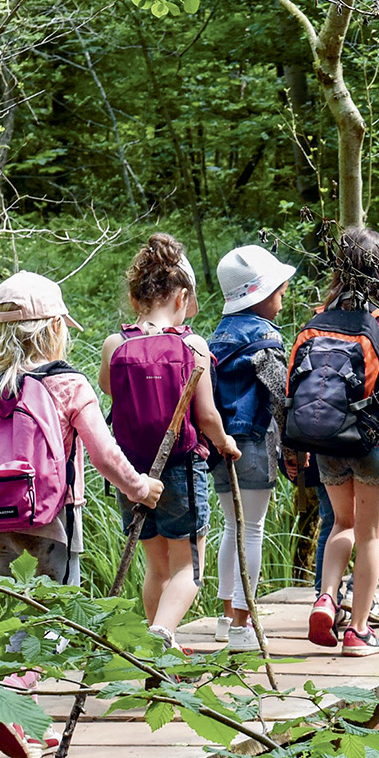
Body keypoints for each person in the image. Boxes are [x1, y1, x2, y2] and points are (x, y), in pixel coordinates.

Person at [0, 271, 161, 758]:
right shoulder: (67, 384)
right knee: (56, 624)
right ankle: (7, 694)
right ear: (53, 329)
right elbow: (105, 455)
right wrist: (141, 488)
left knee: (25, 615)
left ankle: (26, 722)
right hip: (51, 519)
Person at [286, 228, 379, 656]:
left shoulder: (317, 318)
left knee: (341, 524)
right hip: (368, 439)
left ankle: (327, 597)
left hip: (324, 439)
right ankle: (359, 631)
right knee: (369, 533)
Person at [102, 235, 238, 649]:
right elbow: (207, 415)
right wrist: (226, 442)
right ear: (182, 297)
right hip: (179, 469)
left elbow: (110, 392)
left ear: (134, 296)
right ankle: (161, 636)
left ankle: (164, 652)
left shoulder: (116, 344)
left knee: (156, 568)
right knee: (188, 571)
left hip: (133, 475)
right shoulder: (191, 345)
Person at [210, 244, 297, 651]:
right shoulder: (264, 337)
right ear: (259, 295)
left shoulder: (216, 336)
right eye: (279, 293)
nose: (282, 301)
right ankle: (244, 625)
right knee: (253, 530)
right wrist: (296, 444)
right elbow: (279, 394)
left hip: (219, 441)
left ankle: (226, 618)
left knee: (232, 526)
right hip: (254, 441)